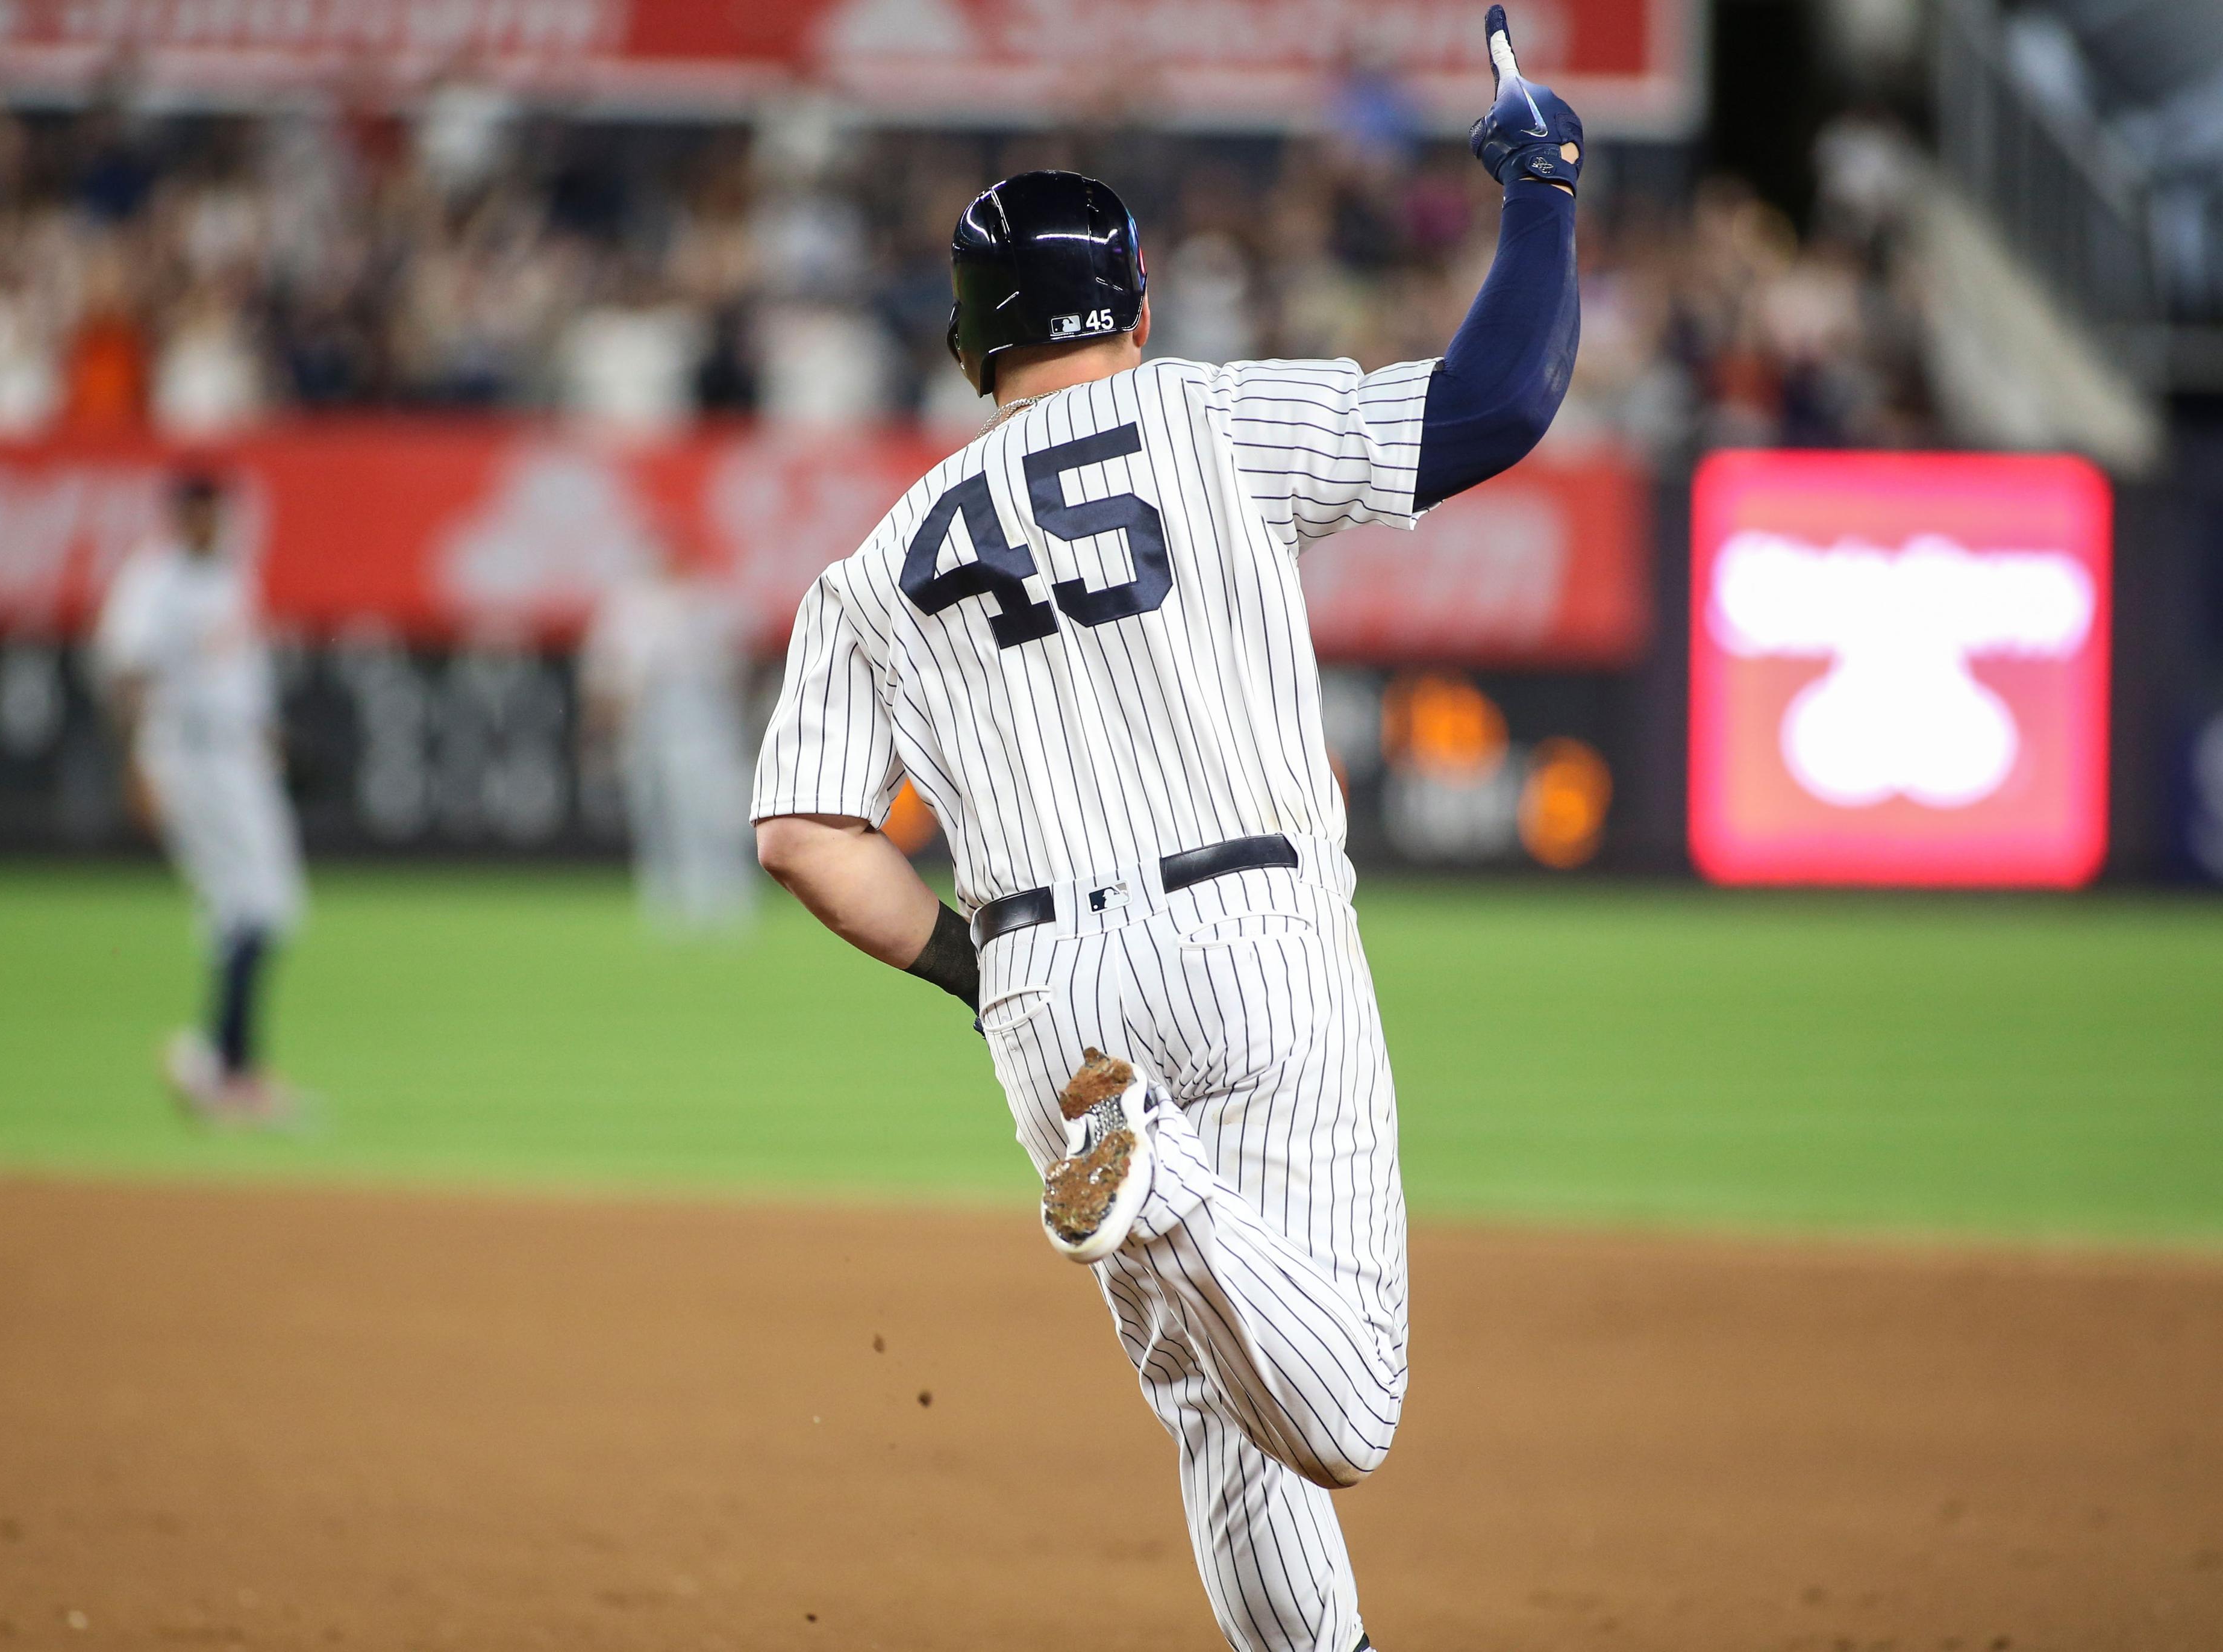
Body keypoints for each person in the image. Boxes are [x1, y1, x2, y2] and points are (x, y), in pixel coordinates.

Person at [749, 12, 1581, 1648]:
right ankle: (1171, 1185)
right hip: (1256, 939)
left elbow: (803, 834)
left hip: (1050, 992)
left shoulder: (874, 561)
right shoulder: (1211, 418)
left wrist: (978, 971)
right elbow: (1505, 398)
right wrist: (1542, 191)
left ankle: (1145, 1174)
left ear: (966, 345)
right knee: (1341, 1415)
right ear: (1133, 306)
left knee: (1223, 1406)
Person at [95, 469, 307, 1125]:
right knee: (260, 906)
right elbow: (129, 675)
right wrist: (136, 763)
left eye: (216, 512)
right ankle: (223, 1064)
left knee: (255, 910)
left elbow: (242, 672)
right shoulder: (152, 582)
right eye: (198, 513)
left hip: (238, 755)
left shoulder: (230, 573)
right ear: (177, 516)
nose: (210, 524)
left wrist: (271, 740)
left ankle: (224, 1063)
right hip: (189, 755)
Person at [579, 568, 758, 931]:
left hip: (707, 734)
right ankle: (666, 907)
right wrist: (600, 731)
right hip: (646, 733)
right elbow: (607, 677)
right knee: (655, 818)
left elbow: (738, 669)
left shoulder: (706, 601)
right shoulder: (628, 606)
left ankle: (725, 905)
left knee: (714, 819)